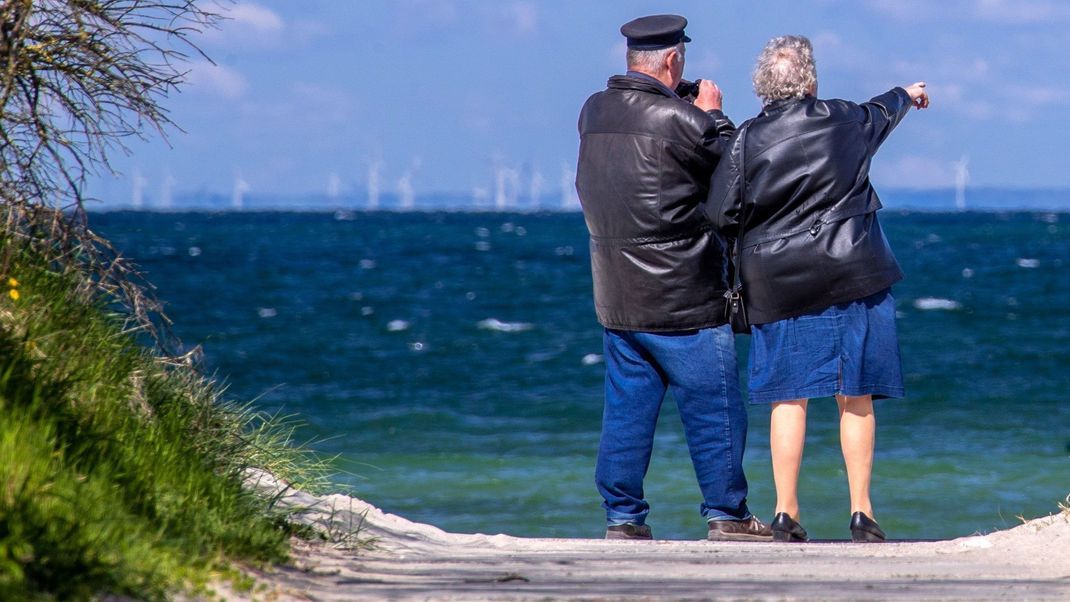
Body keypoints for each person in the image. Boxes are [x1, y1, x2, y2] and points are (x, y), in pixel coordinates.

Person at [704, 35, 930, 542]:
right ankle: (861, 512)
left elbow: (720, 214)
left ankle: (785, 512)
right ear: (809, 80)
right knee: (856, 395)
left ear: (764, 85)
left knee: (789, 398)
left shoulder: (745, 140)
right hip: (855, 272)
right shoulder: (845, 118)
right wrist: (907, 93)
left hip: (778, 284)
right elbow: (882, 111)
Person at [575, 14, 770, 541]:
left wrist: (683, 109)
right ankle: (727, 515)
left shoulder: (593, 111)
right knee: (715, 412)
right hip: (684, 294)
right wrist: (713, 114)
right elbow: (737, 170)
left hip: (617, 294)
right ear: (673, 60)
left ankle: (623, 518)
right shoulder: (684, 122)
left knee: (627, 414)